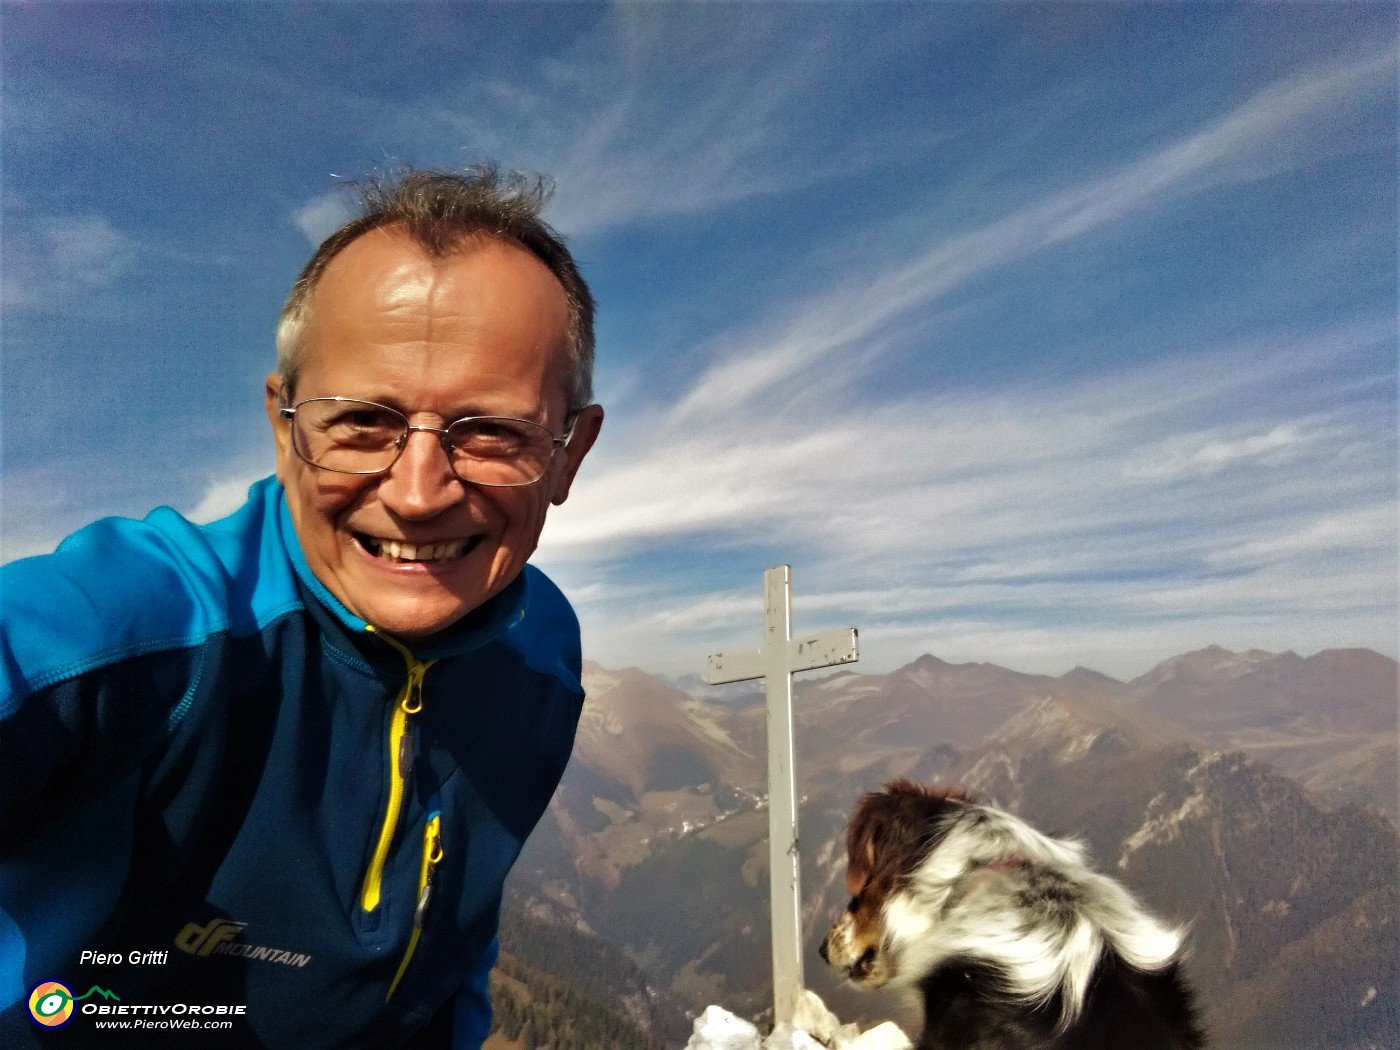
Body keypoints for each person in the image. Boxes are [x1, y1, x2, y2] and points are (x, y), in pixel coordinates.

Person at [0, 167, 604, 1048]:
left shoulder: (542, 650)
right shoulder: (136, 628)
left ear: (568, 457)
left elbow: (457, 939)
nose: (419, 492)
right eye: (362, 421)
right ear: (285, 428)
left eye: (493, 433)